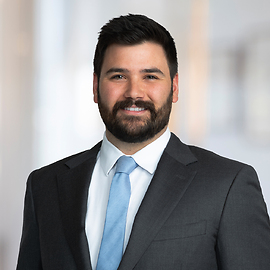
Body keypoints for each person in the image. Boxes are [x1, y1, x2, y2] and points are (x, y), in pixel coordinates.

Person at [17, 14, 270, 270]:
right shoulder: (45, 186)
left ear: (175, 87)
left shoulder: (228, 185)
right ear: (95, 87)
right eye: (118, 76)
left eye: (150, 76)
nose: (134, 93)